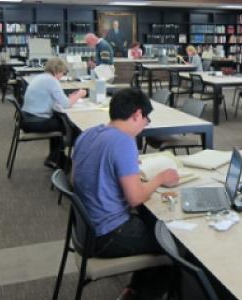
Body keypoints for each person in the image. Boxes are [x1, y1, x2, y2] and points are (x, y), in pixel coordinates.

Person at [73, 88, 179, 300]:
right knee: (177, 245)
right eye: (146, 120)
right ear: (137, 114)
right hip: (107, 234)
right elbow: (135, 198)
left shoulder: (89, 133)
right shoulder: (124, 141)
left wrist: (124, 169)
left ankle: (133, 290)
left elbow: (84, 173)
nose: (144, 125)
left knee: (153, 226)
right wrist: (160, 178)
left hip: (85, 230)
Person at [21, 57, 86, 169]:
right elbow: (66, 104)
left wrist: (70, 98)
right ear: (57, 71)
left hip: (27, 119)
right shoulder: (51, 81)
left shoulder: (41, 77)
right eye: (62, 73)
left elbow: (53, 100)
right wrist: (79, 94)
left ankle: (56, 158)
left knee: (60, 122)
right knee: (70, 127)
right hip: (35, 121)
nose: (62, 76)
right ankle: (59, 159)